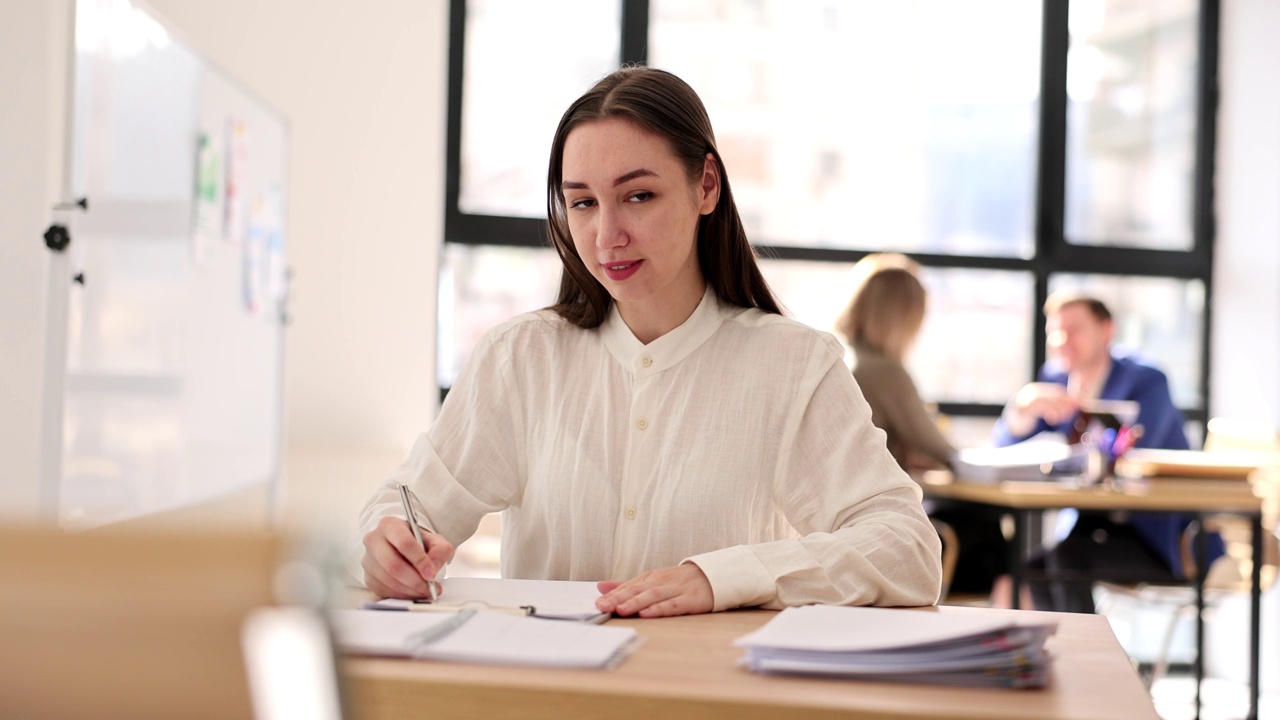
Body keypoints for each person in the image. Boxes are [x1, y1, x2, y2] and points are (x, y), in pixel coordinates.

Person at [354, 66, 941, 618]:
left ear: (705, 185)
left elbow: (908, 549)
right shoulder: (521, 358)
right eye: (582, 202)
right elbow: (408, 505)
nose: (607, 235)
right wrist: (390, 546)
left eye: (638, 196)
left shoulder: (792, 366)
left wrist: (723, 578)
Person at [993, 291, 1219, 612]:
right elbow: (1004, 447)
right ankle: (1060, 656)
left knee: (1068, 560)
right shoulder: (1054, 378)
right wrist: (1022, 408)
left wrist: (1084, 422)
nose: (1062, 340)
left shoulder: (1146, 381)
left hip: (1158, 538)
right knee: (1032, 569)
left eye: (1074, 330)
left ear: (1106, 330)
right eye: (1054, 332)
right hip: (1094, 525)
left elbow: (1132, 451)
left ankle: (1086, 661)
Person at [834, 253, 1008, 598]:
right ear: (902, 318)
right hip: (877, 519)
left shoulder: (844, 357)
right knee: (989, 530)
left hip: (844, 516)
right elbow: (942, 450)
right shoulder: (884, 370)